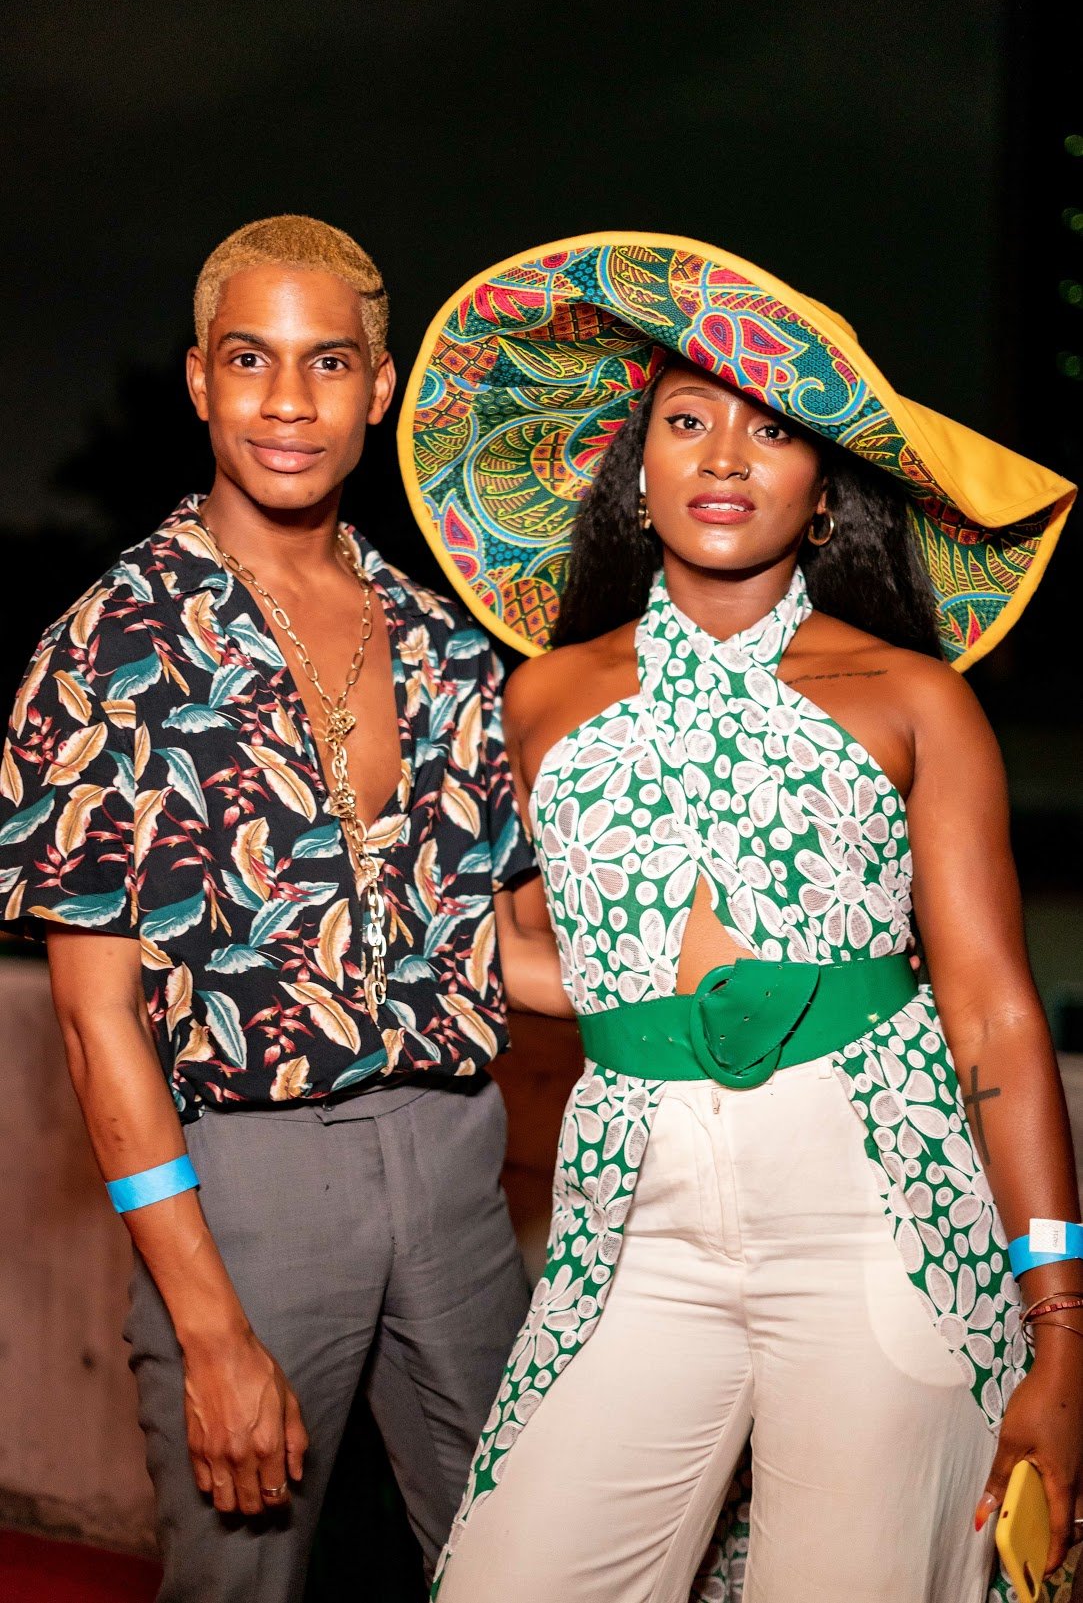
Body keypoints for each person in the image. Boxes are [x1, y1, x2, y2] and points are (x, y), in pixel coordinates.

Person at [396, 234, 1082, 1603]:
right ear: (636, 471)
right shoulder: (543, 697)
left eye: (772, 430)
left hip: (880, 1214)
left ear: (823, 491)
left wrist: (1062, 1328)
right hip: (632, 1220)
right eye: (687, 421)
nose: (724, 457)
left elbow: (996, 1014)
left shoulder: (914, 698)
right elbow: (532, 951)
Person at [0, 214, 536, 1603]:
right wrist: (210, 1326)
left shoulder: (444, 643)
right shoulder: (109, 646)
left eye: (327, 362)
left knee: (530, 1563)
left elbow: (508, 952)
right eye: (251, 359)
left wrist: (734, 971)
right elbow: (95, 1024)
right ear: (200, 380)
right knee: (238, 1581)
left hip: (457, 1162)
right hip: (243, 1182)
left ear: (380, 386)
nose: (288, 401)